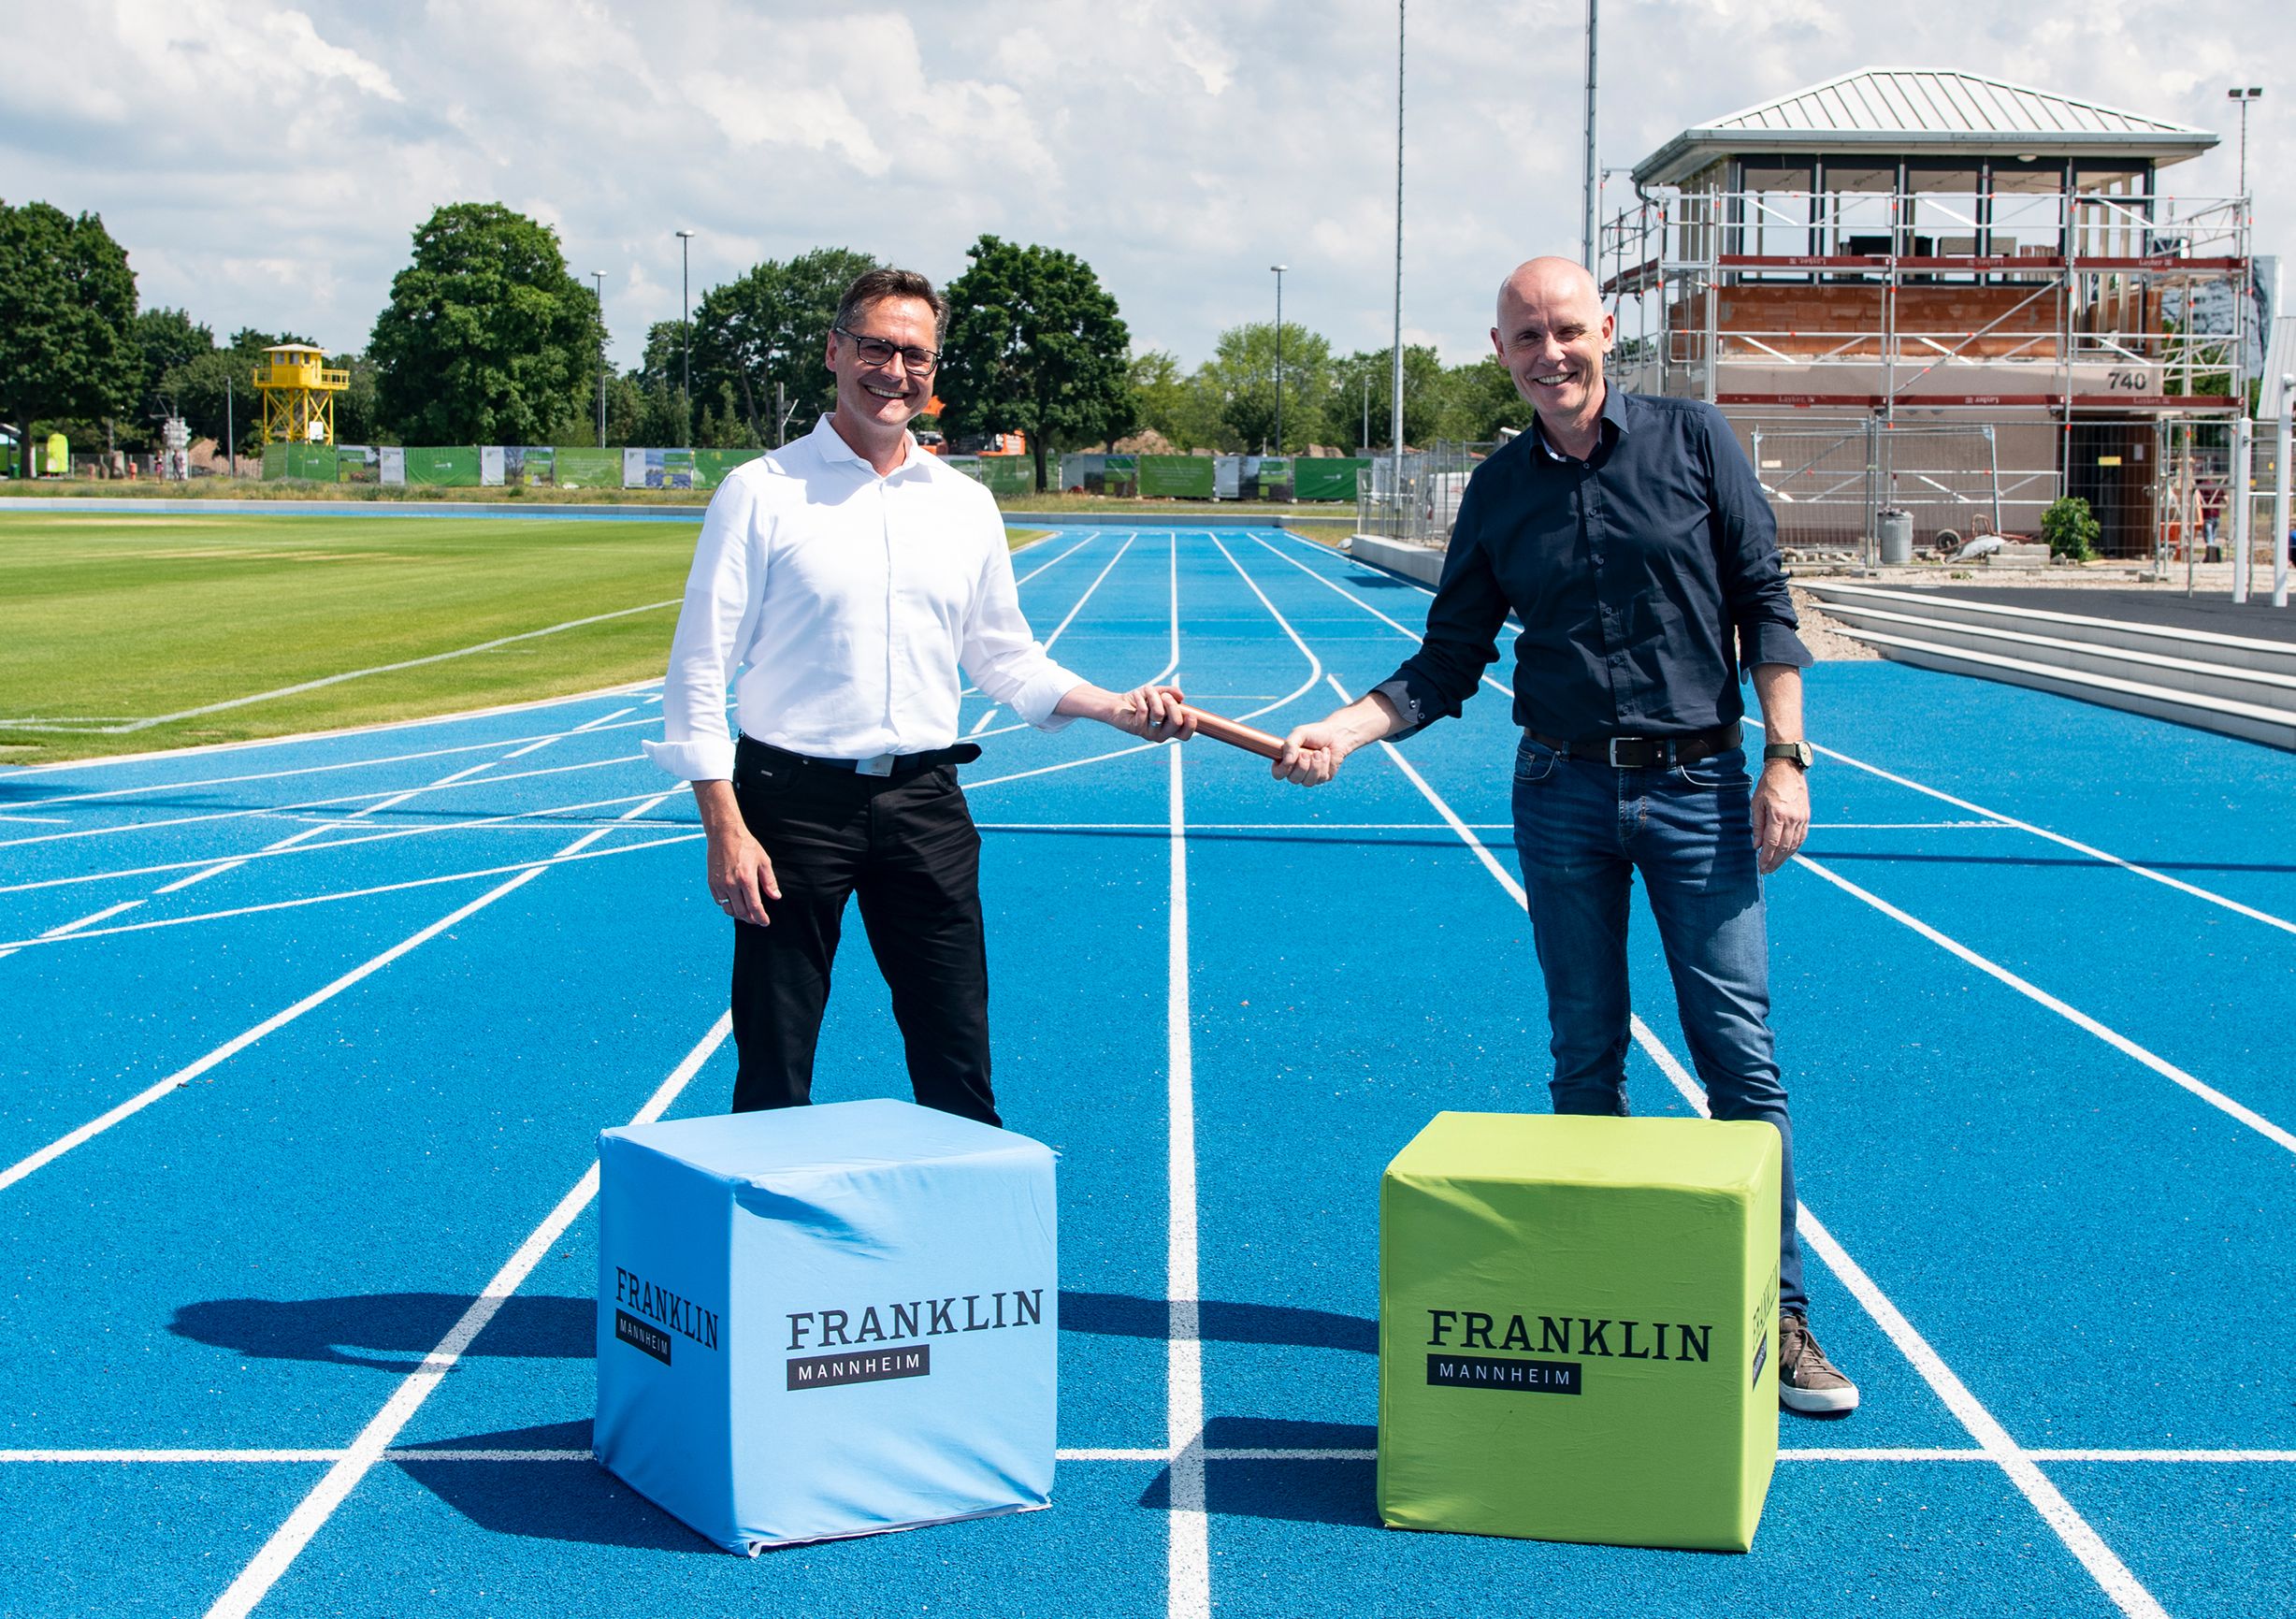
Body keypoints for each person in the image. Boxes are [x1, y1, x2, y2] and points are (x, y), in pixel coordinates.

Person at [1273, 256, 1857, 1415]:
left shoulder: (1694, 441)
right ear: (1500, 354)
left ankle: (1779, 1314)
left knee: (1738, 1058)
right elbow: (1447, 662)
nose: (1551, 355)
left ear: (1606, 330)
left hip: (1698, 787)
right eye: (1526, 338)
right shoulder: (1497, 490)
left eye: (1566, 331)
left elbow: (1765, 605)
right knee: (1584, 1054)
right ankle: (1605, 1291)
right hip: (1560, 790)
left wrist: (1785, 758)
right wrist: (1341, 730)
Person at [645, 267, 1194, 1127]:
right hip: (792, 806)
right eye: (876, 348)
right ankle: (763, 1215)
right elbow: (698, 670)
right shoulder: (760, 492)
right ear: (834, 351)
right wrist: (724, 824)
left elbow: (1005, 657)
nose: (894, 371)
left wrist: (1116, 707)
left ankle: (972, 1215)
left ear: (934, 371)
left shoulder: (965, 504)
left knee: (957, 1056)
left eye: (915, 355)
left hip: (924, 803)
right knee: (774, 1062)